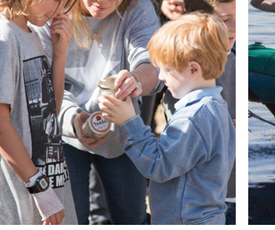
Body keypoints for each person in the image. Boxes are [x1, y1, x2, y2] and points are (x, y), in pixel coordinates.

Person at [37, 0, 164, 225]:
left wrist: (136, 81)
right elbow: (45, 81)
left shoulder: (138, 7)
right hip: (65, 131)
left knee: (131, 216)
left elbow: (151, 62)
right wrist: (73, 119)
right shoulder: (56, 8)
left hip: (122, 134)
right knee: (72, 217)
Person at [98, 13, 235, 225]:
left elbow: (158, 166)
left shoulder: (193, 118)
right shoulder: (216, 107)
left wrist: (130, 121)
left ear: (193, 69)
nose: (161, 77)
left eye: (167, 69)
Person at [0, 0, 82, 225]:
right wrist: (38, 186)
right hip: (16, 196)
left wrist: (59, 54)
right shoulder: (2, 37)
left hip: (44, 184)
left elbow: (48, 114)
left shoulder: (29, 31)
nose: (60, 10)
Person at [160, 0, 238, 225]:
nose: (234, 28)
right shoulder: (180, 73)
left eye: (236, 18)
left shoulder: (236, 58)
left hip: (234, 194)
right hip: (199, 203)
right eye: (224, 20)